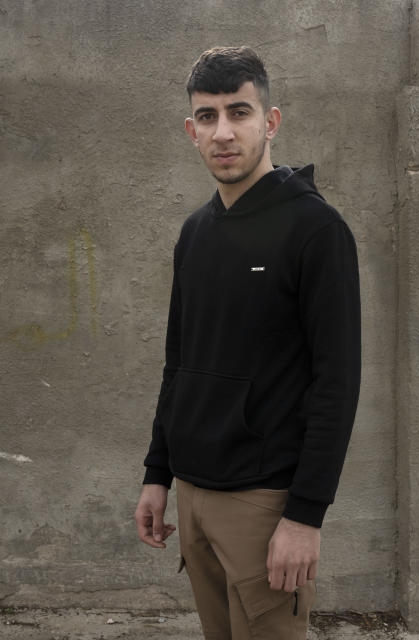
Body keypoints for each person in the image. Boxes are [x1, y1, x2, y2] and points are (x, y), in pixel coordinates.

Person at [134, 46, 361, 639]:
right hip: (194, 494)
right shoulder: (195, 233)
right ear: (191, 130)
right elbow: (178, 362)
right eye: (207, 117)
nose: (224, 131)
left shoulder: (317, 230)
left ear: (271, 121)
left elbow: (337, 383)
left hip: (264, 504)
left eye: (239, 112)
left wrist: (304, 516)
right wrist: (158, 472)